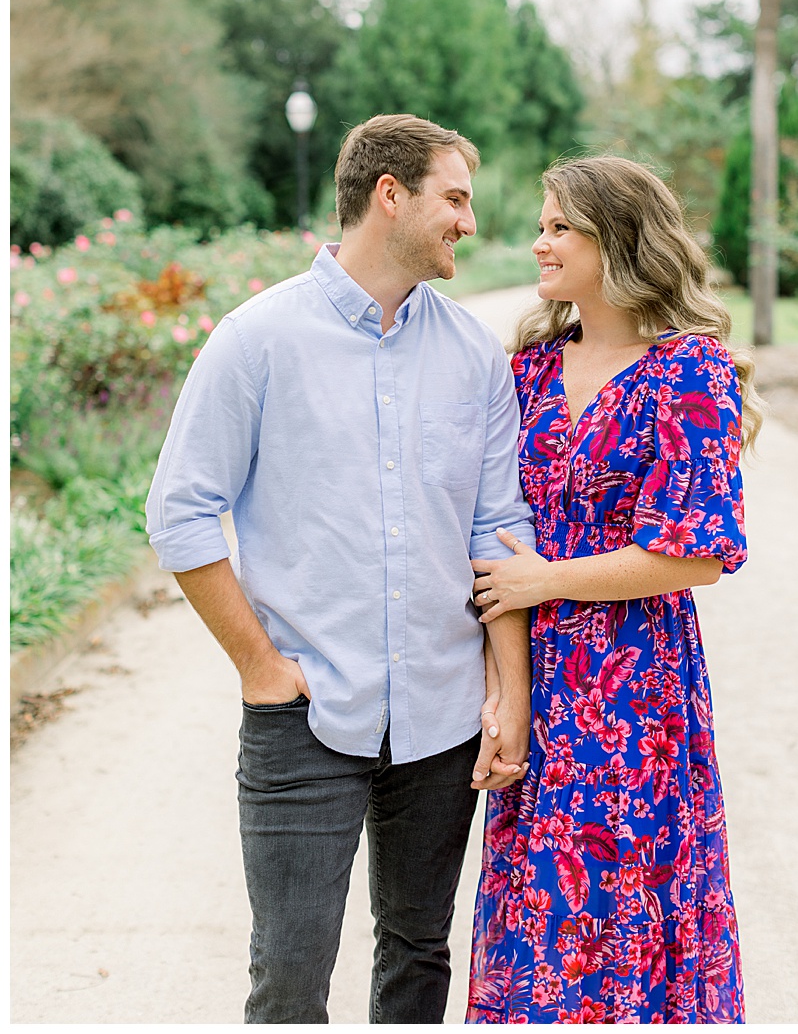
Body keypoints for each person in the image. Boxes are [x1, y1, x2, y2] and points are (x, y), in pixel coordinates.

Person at [144, 114, 535, 1022]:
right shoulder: (257, 340)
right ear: (388, 195)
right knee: (287, 978)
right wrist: (258, 667)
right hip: (305, 715)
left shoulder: (475, 352)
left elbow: (497, 529)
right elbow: (180, 511)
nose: (468, 223)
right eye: (455, 198)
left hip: (439, 722)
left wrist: (507, 693)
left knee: (417, 954)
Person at [463, 155, 760, 1023]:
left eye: (560, 227)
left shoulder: (689, 372)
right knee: (541, 910)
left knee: (628, 901)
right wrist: (504, 690)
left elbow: (699, 553)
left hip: (637, 687)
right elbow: (492, 545)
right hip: (538, 676)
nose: (537, 242)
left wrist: (543, 582)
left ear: (616, 241)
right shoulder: (525, 373)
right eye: (542, 224)